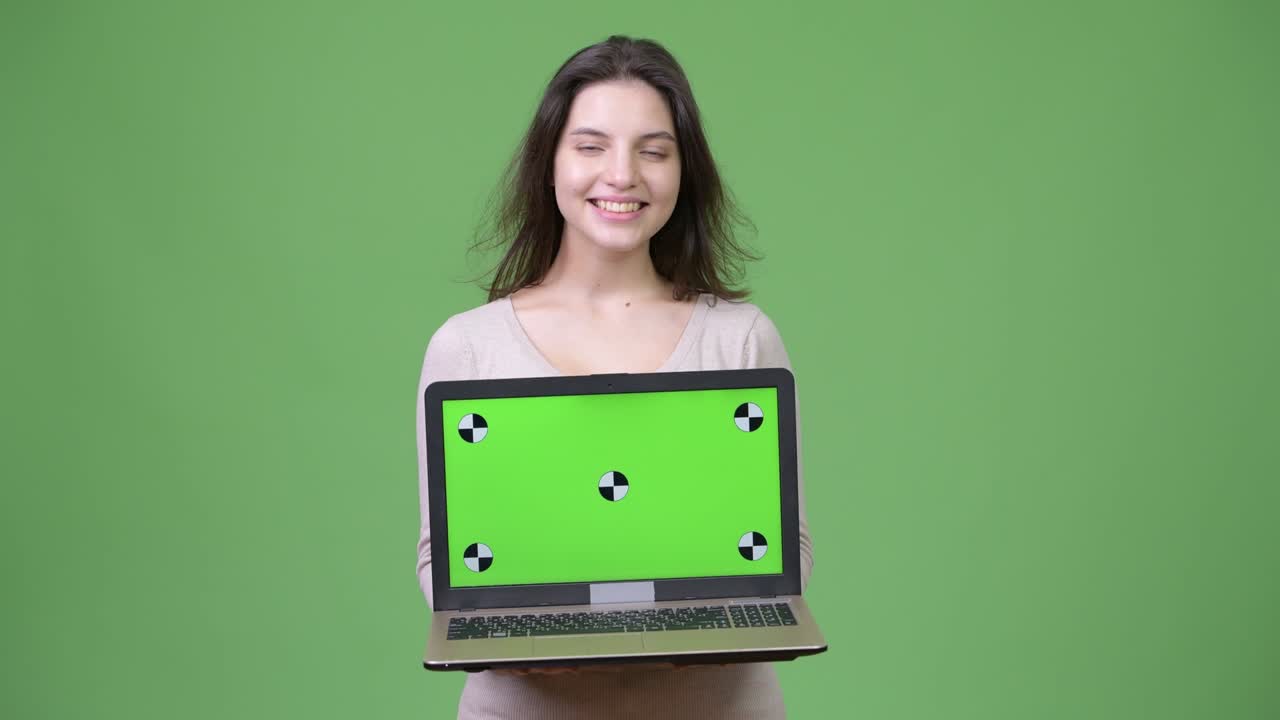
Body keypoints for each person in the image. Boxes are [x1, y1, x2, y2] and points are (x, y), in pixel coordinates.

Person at [415, 35, 814, 719]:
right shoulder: (469, 348)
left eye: (653, 151)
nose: (622, 175)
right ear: (551, 162)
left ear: (684, 172)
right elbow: (440, 565)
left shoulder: (740, 339)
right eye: (591, 146)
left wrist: (672, 634)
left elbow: (787, 551)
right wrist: (543, 638)